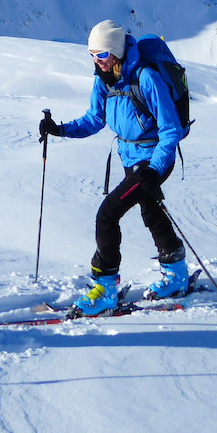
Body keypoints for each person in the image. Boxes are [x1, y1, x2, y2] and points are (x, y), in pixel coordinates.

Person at [39, 20, 187, 315]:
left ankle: (105, 288)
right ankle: (176, 274)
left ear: (117, 52)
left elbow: (171, 130)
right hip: (131, 159)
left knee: (107, 215)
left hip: (154, 159)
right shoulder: (103, 81)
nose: (98, 61)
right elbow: (94, 119)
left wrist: (154, 169)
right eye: (93, 54)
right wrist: (60, 129)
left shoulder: (146, 78)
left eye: (103, 55)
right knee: (152, 211)